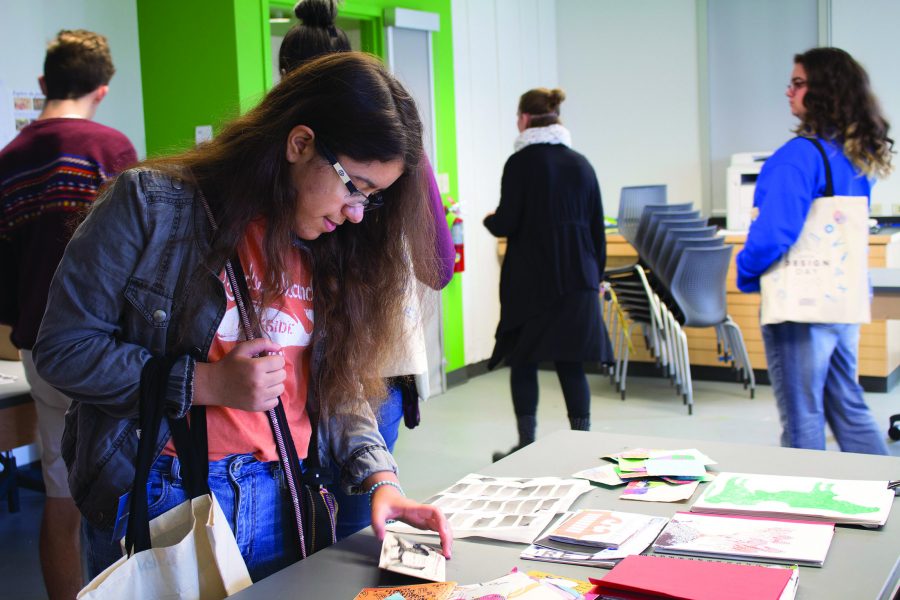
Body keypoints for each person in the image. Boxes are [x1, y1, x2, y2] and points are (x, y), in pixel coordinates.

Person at [33, 52, 452, 583]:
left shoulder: (336, 246)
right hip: (171, 496)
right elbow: (64, 350)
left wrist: (380, 478)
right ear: (300, 145)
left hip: (290, 491)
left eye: (371, 199)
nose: (354, 212)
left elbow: (337, 384)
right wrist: (205, 382)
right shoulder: (152, 206)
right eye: (354, 186)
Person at [278, 0, 455, 540]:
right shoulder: (286, 166)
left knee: (348, 537)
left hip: (361, 371)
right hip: (299, 373)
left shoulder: (386, 159)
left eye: (370, 195)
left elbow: (436, 264)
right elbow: (439, 266)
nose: (356, 210)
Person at [0, 29, 136, 599]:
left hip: (39, 351)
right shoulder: (114, 152)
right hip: (109, 351)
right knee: (131, 490)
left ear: (42, 84)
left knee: (62, 498)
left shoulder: (7, 162)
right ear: (101, 90)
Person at [736, 47, 892, 455]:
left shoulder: (796, 158)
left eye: (799, 82)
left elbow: (773, 235)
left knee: (803, 415)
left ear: (824, 90)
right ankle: (884, 491)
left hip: (800, 305)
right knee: (847, 404)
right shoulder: (854, 155)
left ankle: (806, 509)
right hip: (841, 298)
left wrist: (745, 271)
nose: (788, 91)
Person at [484, 88, 613, 462]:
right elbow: (597, 231)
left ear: (524, 118)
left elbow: (507, 221)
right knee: (571, 364)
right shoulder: (582, 164)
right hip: (578, 280)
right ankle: (583, 445)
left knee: (523, 361)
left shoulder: (520, 163)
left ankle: (526, 446)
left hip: (531, 281)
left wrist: (490, 219)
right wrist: (596, 277)